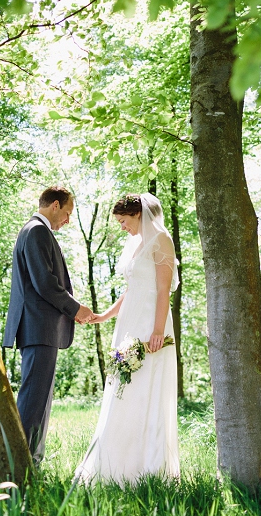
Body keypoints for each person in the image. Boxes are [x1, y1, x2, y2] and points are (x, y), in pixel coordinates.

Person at [74, 193, 180, 483]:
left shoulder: (162, 240)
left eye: (123, 221)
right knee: (124, 388)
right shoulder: (137, 244)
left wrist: (157, 330)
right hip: (129, 324)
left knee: (146, 386)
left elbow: (162, 290)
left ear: (138, 214)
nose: (122, 227)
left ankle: (147, 468)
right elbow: (131, 290)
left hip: (151, 324)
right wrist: (103, 316)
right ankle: (115, 464)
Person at [4, 186, 94, 464]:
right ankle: (20, 466)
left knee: (40, 400)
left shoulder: (35, 231)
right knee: (33, 401)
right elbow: (45, 283)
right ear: (55, 205)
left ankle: (32, 462)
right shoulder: (36, 231)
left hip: (40, 329)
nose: (67, 220)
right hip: (38, 328)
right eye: (67, 213)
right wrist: (76, 308)